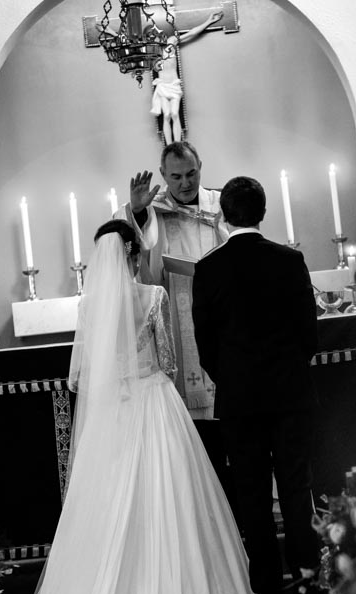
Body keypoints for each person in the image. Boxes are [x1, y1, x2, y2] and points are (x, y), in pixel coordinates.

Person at [0, 219, 259, 594]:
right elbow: (172, 363)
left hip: (113, 419)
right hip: (156, 407)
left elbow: (82, 378)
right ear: (135, 254)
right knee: (170, 506)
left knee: (113, 513)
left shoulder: (90, 307)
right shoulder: (152, 296)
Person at [191, 177, 321, 594]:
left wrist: (234, 379)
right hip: (289, 396)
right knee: (296, 494)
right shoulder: (290, 261)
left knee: (253, 503)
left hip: (240, 402)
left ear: (223, 215)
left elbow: (205, 346)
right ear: (262, 211)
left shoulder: (208, 270)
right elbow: (309, 333)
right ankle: (309, 592)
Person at [115, 141, 234, 511]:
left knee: (233, 419)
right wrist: (136, 212)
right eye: (177, 176)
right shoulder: (155, 209)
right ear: (164, 176)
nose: (186, 183)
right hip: (179, 313)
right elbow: (133, 251)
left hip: (223, 315)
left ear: (201, 166)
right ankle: (204, 505)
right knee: (198, 432)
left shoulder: (220, 206)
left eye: (192, 173)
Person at [148, 9, 222, 145]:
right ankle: (169, 147)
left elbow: (192, 32)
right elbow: (128, 42)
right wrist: (109, 32)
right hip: (163, 86)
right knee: (167, 115)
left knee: (175, 114)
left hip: (174, 85)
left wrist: (209, 21)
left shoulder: (172, 41)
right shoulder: (152, 51)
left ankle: (178, 145)